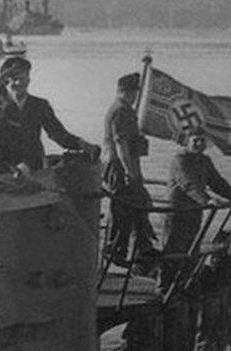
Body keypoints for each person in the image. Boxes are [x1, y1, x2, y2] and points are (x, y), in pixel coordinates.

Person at [161, 127, 231, 289]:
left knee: (192, 246)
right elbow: (188, 184)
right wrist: (207, 201)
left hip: (194, 211)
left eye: (202, 141)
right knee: (173, 247)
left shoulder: (204, 161)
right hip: (177, 212)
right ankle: (164, 285)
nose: (199, 144)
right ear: (187, 141)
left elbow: (216, 182)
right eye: (195, 141)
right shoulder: (180, 160)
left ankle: (184, 283)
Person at [0, 57, 99, 170]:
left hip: (34, 163)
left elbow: (58, 134)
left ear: (29, 79)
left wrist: (84, 145)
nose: (19, 83)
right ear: (4, 81)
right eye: (14, 78)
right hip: (4, 165)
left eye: (23, 77)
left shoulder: (40, 105)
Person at [102, 72, 156, 262]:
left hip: (121, 165)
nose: (135, 98)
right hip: (119, 167)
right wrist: (131, 173)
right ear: (126, 92)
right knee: (124, 208)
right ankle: (117, 250)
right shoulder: (121, 111)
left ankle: (143, 247)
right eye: (134, 94)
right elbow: (121, 144)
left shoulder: (121, 109)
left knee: (136, 204)